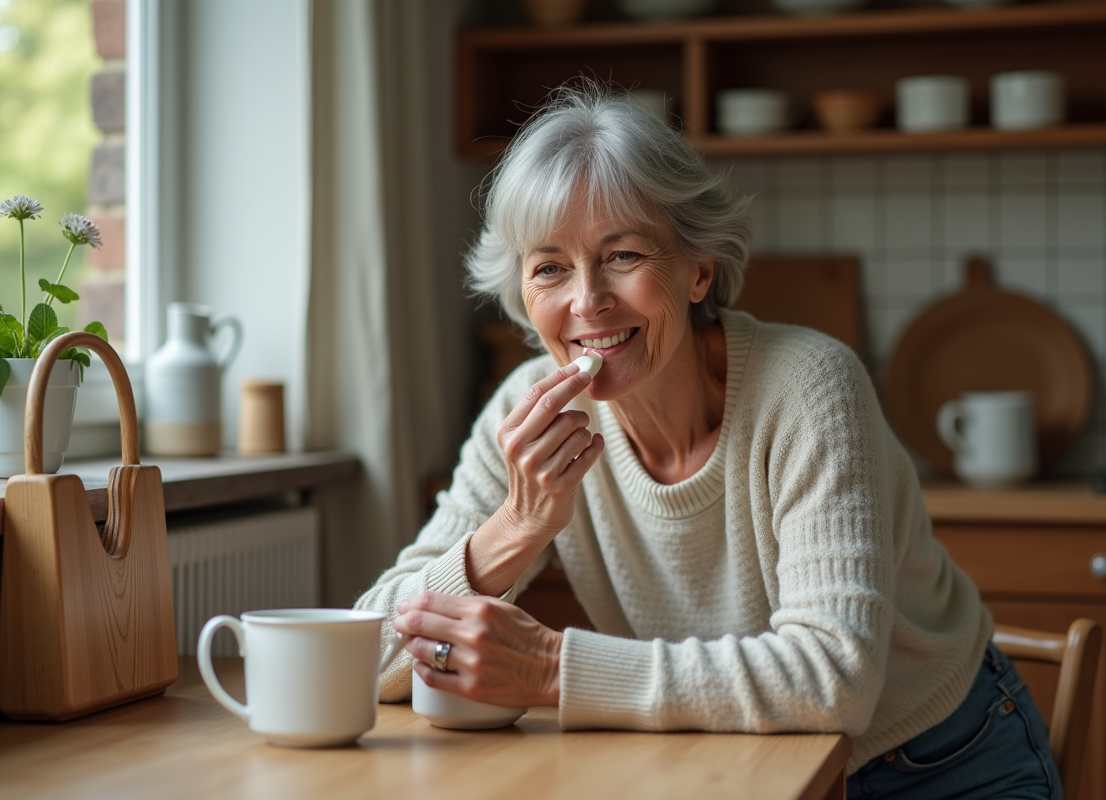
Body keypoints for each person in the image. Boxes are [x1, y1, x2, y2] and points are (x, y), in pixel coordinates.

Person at [354, 81, 1062, 800]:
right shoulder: (526, 413)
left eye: (623, 255)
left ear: (698, 269)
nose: (587, 300)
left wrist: (551, 670)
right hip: (741, 766)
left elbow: (834, 680)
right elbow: (363, 658)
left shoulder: (810, 387)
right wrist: (516, 526)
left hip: (936, 762)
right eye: (550, 268)